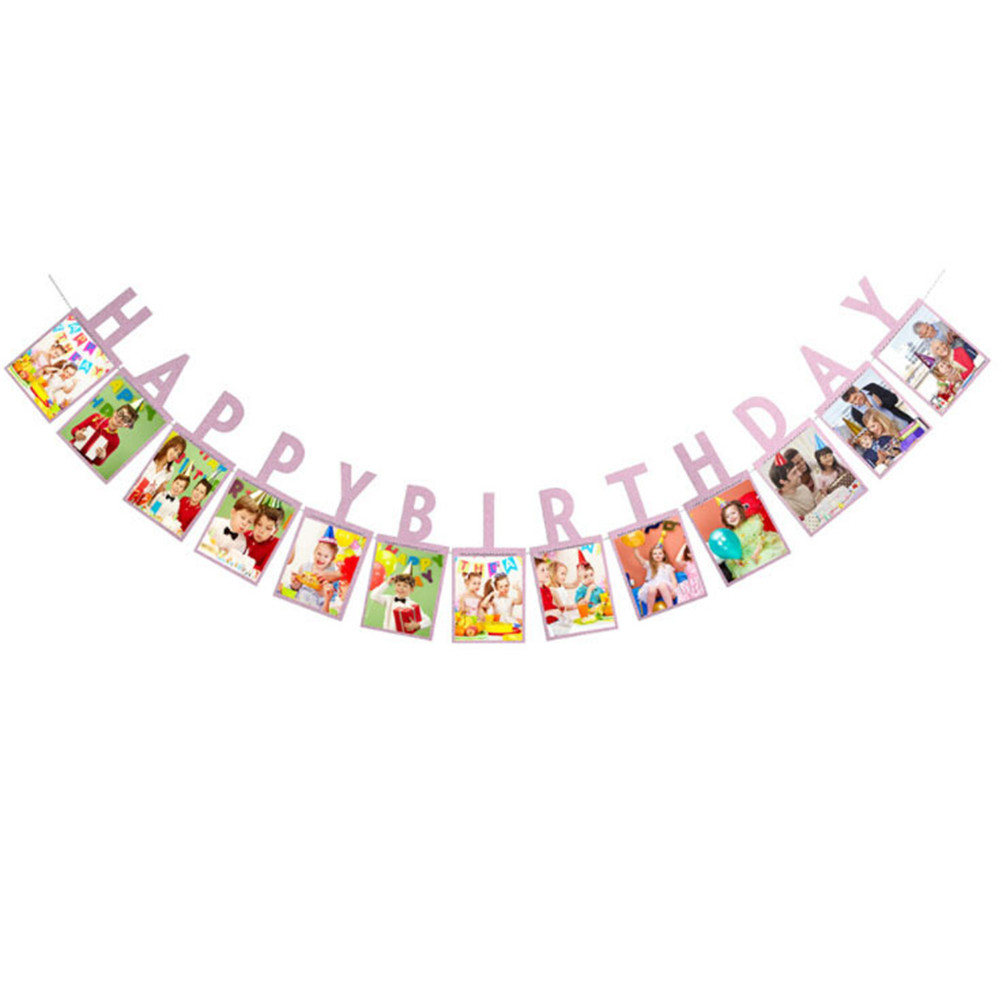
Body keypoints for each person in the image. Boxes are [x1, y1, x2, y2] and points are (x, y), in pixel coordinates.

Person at [718, 499, 787, 579]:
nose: (731, 517)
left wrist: (756, 553)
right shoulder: (731, 534)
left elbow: (761, 537)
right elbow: (733, 548)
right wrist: (736, 559)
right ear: (725, 521)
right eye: (727, 516)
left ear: (740, 512)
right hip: (745, 557)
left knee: (765, 559)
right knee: (747, 569)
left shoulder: (751, 522)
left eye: (733, 513)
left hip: (759, 549)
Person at [70, 404, 138, 466]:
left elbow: (98, 463)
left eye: (125, 419)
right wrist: (76, 432)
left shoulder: (115, 441)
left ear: (126, 425)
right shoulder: (96, 417)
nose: (120, 418)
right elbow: (75, 429)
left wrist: (102, 456)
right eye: (120, 413)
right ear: (115, 412)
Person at [128, 435, 187, 506]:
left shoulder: (170, 471)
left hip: (140, 504)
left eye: (178, 454)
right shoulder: (151, 456)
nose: (175, 455)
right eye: (175, 449)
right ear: (169, 445)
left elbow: (159, 492)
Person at [290, 535, 340, 614]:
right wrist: (295, 583)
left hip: (316, 607)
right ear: (314, 552)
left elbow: (325, 595)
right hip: (300, 600)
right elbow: (296, 588)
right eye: (319, 554)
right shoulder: (304, 567)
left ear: (332, 559)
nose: (321, 558)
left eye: (326, 556)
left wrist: (319, 587)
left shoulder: (330, 575)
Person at [841, 383, 915, 429]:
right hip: (893, 436)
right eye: (852, 402)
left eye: (855, 398)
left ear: (857, 389)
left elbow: (894, 398)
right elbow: (870, 430)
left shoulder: (872, 388)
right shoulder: (855, 413)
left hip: (905, 422)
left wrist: (882, 403)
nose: (856, 402)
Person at [633, 542, 677, 616]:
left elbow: (673, 579)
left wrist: (674, 590)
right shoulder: (649, 565)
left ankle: (670, 606)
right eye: (655, 554)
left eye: (660, 553)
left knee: (662, 585)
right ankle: (649, 612)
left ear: (663, 555)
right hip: (655, 590)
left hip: (665, 588)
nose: (657, 555)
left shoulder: (667, 567)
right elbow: (638, 557)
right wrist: (635, 547)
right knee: (651, 588)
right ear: (652, 556)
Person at [244, 505, 284, 573]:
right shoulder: (245, 534)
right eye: (259, 524)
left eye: (268, 528)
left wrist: (243, 563)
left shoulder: (276, 545)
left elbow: (264, 570)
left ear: (274, 532)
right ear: (254, 523)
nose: (261, 531)